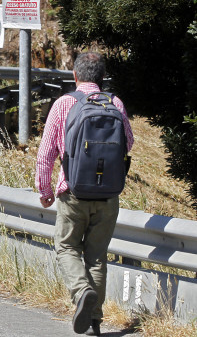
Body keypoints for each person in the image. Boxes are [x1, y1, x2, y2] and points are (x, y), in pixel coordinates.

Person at [35, 52, 134, 335]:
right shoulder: (115, 103)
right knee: (97, 257)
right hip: (107, 196)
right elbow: (128, 142)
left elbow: (46, 154)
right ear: (102, 78)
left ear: (75, 76)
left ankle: (81, 292)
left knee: (66, 247)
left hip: (73, 193)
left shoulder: (64, 104)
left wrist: (44, 189)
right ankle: (94, 322)